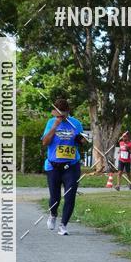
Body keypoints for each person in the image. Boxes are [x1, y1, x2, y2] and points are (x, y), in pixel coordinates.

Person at [41, 98, 89, 235]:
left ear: (68, 112)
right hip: (53, 166)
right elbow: (45, 142)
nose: (61, 118)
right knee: (55, 197)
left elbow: (82, 139)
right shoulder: (51, 122)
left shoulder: (76, 123)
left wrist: (82, 140)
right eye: (58, 115)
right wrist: (55, 126)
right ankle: (53, 214)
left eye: (64, 115)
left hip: (72, 166)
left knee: (70, 195)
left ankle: (64, 225)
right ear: (54, 113)